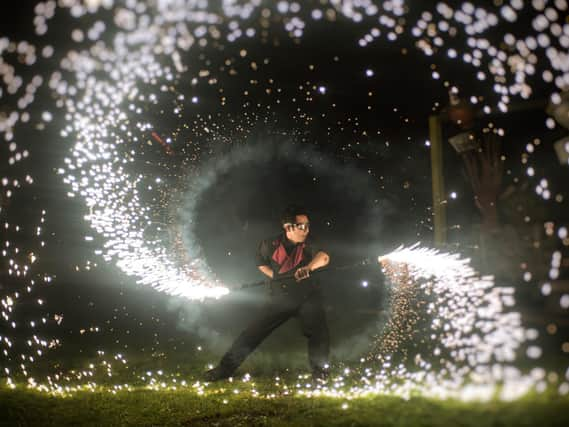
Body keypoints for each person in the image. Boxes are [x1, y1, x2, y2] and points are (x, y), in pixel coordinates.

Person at [204, 205, 331, 382]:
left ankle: (320, 374)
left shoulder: (309, 243)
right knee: (252, 333)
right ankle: (224, 369)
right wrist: (276, 276)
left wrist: (308, 268)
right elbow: (260, 262)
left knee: (319, 334)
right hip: (280, 298)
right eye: (302, 226)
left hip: (308, 297)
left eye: (308, 225)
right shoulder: (269, 244)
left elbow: (324, 257)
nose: (306, 230)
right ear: (288, 227)